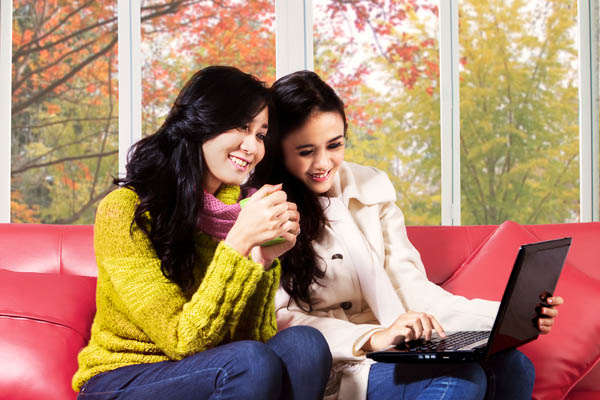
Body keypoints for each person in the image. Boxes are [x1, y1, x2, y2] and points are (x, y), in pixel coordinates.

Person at [248, 70, 563, 400]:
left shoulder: (370, 188)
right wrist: (375, 337)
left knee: (514, 365)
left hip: (398, 346)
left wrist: (506, 317)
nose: (324, 163)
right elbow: (282, 323)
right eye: (305, 151)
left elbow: (410, 288)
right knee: (460, 381)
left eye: (335, 145)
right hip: (338, 360)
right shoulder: (266, 207)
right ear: (278, 147)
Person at [72, 66, 332, 400]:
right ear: (202, 123)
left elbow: (251, 338)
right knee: (249, 361)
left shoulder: (238, 212)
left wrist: (261, 259)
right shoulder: (124, 210)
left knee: (304, 345)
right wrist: (238, 244)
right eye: (242, 126)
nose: (252, 147)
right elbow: (183, 340)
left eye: (260, 134)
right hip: (120, 380)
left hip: (211, 369)